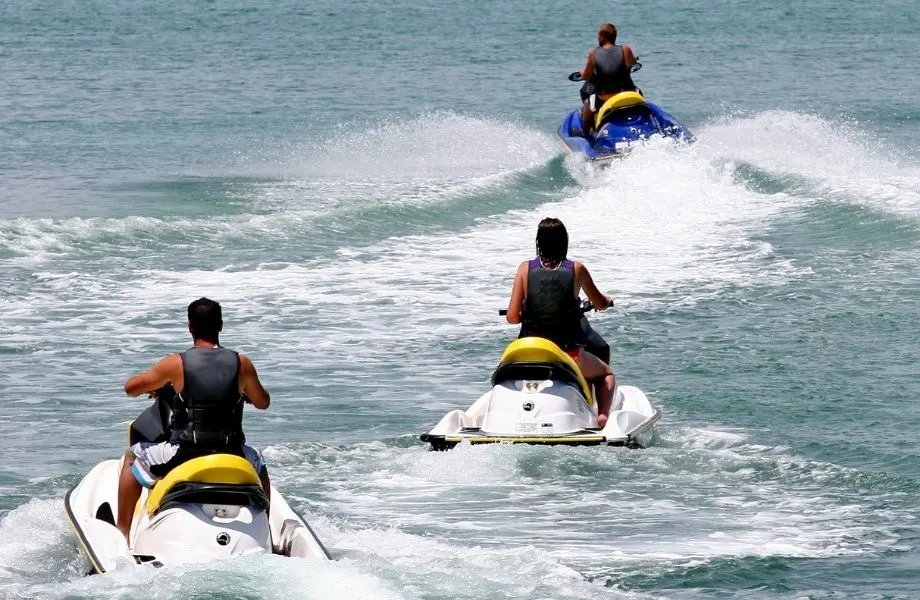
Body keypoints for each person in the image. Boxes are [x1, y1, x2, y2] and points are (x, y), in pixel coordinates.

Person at [115, 298, 271, 542]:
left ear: (190, 327)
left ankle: (121, 533)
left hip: (187, 452)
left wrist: (161, 381)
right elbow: (263, 402)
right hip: (233, 452)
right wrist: (243, 393)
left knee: (131, 457)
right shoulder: (242, 363)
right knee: (260, 463)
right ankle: (267, 531)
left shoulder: (175, 363)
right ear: (220, 325)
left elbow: (130, 388)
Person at [505, 218, 617, 427]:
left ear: (538, 242)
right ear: (564, 242)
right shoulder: (577, 269)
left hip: (529, 352)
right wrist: (607, 301)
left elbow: (512, 318)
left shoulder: (524, 269)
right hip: (567, 353)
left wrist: (525, 311)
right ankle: (602, 417)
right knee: (607, 375)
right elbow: (599, 303)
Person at [577, 23, 638, 137]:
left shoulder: (593, 53)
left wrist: (581, 72)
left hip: (606, 97)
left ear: (602, 36)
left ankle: (585, 135)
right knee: (639, 92)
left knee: (588, 104)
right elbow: (632, 63)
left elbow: (586, 76)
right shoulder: (626, 49)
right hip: (627, 94)